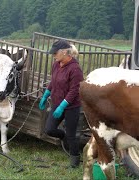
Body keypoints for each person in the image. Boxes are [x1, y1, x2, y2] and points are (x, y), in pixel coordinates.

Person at [38, 39, 83, 168]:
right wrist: (46, 94)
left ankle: (75, 161)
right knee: (49, 129)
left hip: (71, 107)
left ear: (64, 52)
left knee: (71, 135)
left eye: (55, 53)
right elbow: (53, 81)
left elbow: (75, 90)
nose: (53, 55)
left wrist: (63, 105)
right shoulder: (56, 64)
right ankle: (62, 136)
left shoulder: (75, 69)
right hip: (56, 103)